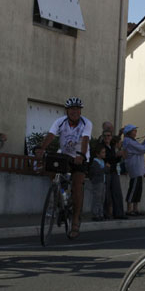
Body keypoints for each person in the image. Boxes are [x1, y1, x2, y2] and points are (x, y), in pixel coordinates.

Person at [36, 97, 92, 239]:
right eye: (72, 109)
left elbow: (85, 140)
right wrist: (42, 149)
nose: (75, 112)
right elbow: (51, 135)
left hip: (80, 156)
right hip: (65, 156)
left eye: (77, 109)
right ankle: (59, 196)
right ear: (67, 111)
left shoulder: (86, 123)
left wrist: (81, 155)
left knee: (77, 184)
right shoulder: (60, 122)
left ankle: (75, 221)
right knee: (50, 168)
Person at [93, 122, 126, 220]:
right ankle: (105, 214)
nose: (108, 137)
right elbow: (103, 158)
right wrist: (116, 156)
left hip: (113, 171)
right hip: (106, 172)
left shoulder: (112, 146)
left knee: (117, 192)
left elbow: (113, 159)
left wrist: (119, 157)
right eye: (106, 135)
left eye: (109, 135)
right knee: (106, 195)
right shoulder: (101, 145)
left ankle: (119, 213)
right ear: (103, 136)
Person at [121, 124, 145, 216]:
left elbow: (141, 148)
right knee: (133, 189)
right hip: (135, 168)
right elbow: (144, 149)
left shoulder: (130, 141)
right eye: (134, 131)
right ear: (129, 132)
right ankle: (129, 209)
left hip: (137, 168)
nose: (135, 133)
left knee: (138, 189)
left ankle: (135, 209)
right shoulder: (129, 142)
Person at [88, 143, 107, 221]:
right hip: (97, 182)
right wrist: (106, 168)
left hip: (102, 182)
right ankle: (95, 214)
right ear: (97, 154)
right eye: (102, 152)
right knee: (97, 198)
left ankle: (100, 213)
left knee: (102, 198)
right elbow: (98, 171)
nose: (104, 154)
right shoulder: (95, 162)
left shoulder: (102, 161)